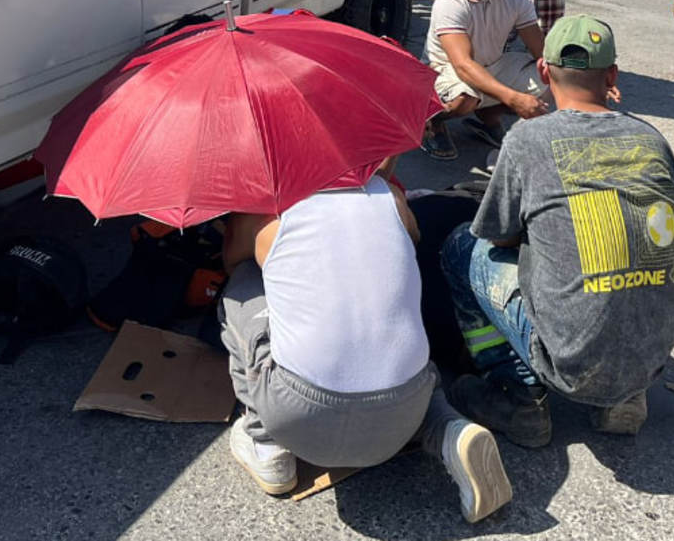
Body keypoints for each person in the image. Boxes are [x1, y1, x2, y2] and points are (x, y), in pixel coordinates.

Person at [441, 16, 674, 448]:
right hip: (653, 354)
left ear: (543, 71)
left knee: (463, 247)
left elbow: (499, 236)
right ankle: (625, 395)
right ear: (612, 75)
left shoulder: (528, 140)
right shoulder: (651, 138)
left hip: (573, 362)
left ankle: (517, 394)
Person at [218, 166, 512, 522]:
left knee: (243, 283)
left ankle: (266, 445)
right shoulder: (390, 197)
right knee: (386, 320)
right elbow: (411, 242)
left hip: (298, 417)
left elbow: (232, 261)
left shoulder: (269, 209)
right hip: (404, 413)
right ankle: (449, 428)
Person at [420, 0, 549, 160]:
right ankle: (430, 121)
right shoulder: (450, 1)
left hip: (490, 64)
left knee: (548, 78)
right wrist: (513, 98)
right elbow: (462, 65)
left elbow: (541, 52)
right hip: (444, 70)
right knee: (466, 97)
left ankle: (488, 116)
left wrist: (591, 81)